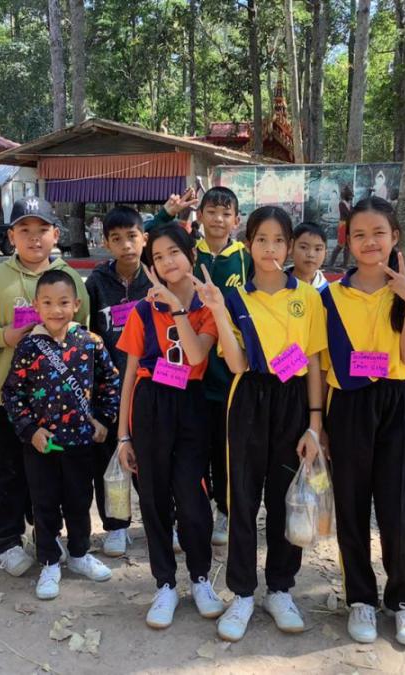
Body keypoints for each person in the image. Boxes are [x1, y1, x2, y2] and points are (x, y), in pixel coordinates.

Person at [209, 206, 327, 643]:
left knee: (285, 498)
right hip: (248, 399)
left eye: (279, 240)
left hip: (293, 403)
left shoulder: (308, 298)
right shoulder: (237, 298)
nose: (270, 248)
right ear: (249, 243)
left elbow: (312, 361)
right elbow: (237, 363)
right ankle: (241, 593)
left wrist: (314, 424)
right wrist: (218, 311)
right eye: (262, 239)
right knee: (242, 498)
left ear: (290, 246)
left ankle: (280, 588)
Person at [319, 195, 405, 648]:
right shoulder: (330, 296)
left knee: (394, 506)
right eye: (359, 234)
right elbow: (319, 366)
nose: (369, 242)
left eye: (378, 233)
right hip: (346, 405)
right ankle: (360, 598)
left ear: (395, 237)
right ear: (348, 241)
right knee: (350, 506)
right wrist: (317, 424)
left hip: (392, 402)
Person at [0, 197, 90, 578]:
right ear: (11, 236)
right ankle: (5, 540)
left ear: (56, 234)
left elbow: (84, 330)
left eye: (42, 230)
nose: (34, 238)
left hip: (58, 403)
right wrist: (1, 336)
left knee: (52, 472)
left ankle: (47, 536)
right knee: (9, 470)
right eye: (25, 230)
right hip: (7, 397)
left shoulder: (71, 279)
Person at [116, 224, 225, 630]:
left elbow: (195, 355)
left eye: (173, 252)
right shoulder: (143, 312)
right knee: (154, 498)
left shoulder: (207, 306)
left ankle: (200, 578)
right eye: (158, 257)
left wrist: (178, 309)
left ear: (191, 254)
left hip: (191, 405)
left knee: (193, 498)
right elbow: (130, 375)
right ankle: (164, 584)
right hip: (149, 406)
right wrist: (123, 435)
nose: (166, 262)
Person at [1, 269, 120, 599]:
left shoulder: (90, 342)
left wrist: (103, 420)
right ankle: (50, 561)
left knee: (79, 500)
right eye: (48, 303)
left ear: (76, 305)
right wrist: (30, 430)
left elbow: (111, 382)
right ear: (36, 306)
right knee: (44, 503)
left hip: (81, 441)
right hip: (42, 446)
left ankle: (80, 553)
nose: (56, 310)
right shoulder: (28, 346)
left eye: (64, 302)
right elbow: (12, 392)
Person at [154, 186, 249, 546]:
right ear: (200, 215)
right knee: (191, 450)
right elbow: (150, 240)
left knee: (225, 449)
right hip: (188, 370)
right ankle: (191, 511)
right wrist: (167, 212)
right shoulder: (189, 251)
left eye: (226, 213)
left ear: (236, 220)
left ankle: (224, 510)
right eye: (211, 211)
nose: (218, 219)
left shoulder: (245, 258)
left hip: (228, 374)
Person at [85, 205, 152, 556]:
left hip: (146, 387)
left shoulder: (155, 279)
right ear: (106, 244)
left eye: (132, 236)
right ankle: (115, 525)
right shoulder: (96, 283)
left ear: (144, 239)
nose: (126, 245)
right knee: (108, 458)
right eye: (117, 238)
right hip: (106, 391)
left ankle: (160, 520)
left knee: (149, 457)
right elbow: (86, 335)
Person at [289, 222, 329, 291]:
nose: (311, 254)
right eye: (303, 247)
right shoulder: (277, 286)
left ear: (325, 254)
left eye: (317, 249)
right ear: (291, 248)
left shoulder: (329, 292)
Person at [329, 184, 354, 268]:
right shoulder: (341, 204)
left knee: (347, 246)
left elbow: (352, 213)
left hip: (348, 225)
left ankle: (344, 264)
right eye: (350, 196)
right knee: (340, 245)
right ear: (346, 196)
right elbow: (348, 214)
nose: (351, 198)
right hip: (343, 225)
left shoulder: (349, 205)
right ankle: (330, 263)